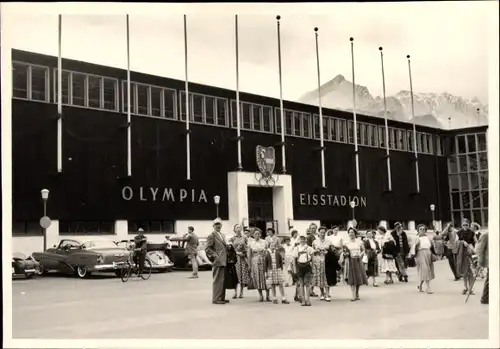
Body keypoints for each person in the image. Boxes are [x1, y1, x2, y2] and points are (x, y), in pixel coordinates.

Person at [205, 218, 229, 305]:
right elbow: (207, 248)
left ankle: (221, 297)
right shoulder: (211, 235)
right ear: (213, 226)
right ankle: (216, 298)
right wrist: (216, 256)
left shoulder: (222, 235)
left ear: (221, 225)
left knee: (222, 280)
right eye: (216, 224)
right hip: (218, 261)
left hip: (224, 260)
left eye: (219, 224)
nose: (218, 226)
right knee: (217, 280)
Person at [342, 227, 368, 301]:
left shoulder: (359, 241)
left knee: (358, 277)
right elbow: (344, 252)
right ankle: (353, 295)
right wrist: (345, 254)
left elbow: (363, 250)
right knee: (351, 278)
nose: (351, 234)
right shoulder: (346, 242)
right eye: (350, 232)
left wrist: (360, 254)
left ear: (355, 233)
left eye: (352, 232)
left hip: (357, 260)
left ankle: (357, 293)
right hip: (350, 261)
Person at [411, 224, 436, 294]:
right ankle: (428, 287)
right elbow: (413, 248)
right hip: (420, 254)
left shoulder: (428, 238)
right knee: (425, 269)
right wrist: (415, 245)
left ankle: (420, 285)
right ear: (418, 230)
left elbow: (431, 247)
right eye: (420, 229)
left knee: (427, 270)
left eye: (424, 229)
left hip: (428, 254)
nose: (422, 230)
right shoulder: (417, 238)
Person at [248, 229, 270, 302]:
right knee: (257, 278)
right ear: (253, 235)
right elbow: (249, 255)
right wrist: (249, 265)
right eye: (255, 234)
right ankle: (260, 295)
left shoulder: (264, 242)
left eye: (258, 234)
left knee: (265, 277)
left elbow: (268, 252)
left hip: (263, 260)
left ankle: (268, 295)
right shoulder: (251, 243)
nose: (257, 235)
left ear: (260, 234)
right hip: (255, 261)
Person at [264, 240, 289, 304]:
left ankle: (283, 298)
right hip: (271, 270)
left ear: (275, 247)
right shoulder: (267, 254)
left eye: (274, 246)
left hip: (277, 270)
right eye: (271, 246)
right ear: (269, 247)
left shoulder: (277, 253)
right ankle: (274, 298)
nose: (272, 247)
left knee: (280, 284)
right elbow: (265, 264)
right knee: (272, 285)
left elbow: (280, 262)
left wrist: (281, 269)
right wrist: (266, 272)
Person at [293, 233, 315, 306]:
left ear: (306, 240)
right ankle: (303, 300)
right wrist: (295, 269)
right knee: (301, 284)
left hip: (307, 266)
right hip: (299, 267)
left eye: (304, 239)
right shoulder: (296, 248)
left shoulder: (309, 248)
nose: (302, 240)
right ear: (299, 240)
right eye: (301, 239)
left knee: (307, 284)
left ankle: (308, 300)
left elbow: (313, 258)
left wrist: (313, 268)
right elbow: (294, 259)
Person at [456, 218, 476, 295]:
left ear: (468, 225)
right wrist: (462, 241)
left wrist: (474, 248)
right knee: (464, 272)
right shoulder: (458, 233)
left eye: (466, 225)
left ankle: (470, 288)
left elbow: (476, 241)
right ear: (461, 225)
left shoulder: (472, 232)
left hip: (470, 253)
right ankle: (465, 287)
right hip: (462, 254)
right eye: (463, 225)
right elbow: (456, 242)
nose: (465, 226)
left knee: (471, 272)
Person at [229, 224, 249, 298]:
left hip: (242, 258)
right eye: (237, 227)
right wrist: (236, 253)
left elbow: (248, 248)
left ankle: (241, 292)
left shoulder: (245, 238)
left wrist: (244, 254)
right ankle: (235, 292)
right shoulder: (232, 238)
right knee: (235, 275)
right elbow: (230, 249)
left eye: (240, 227)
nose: (238, 228)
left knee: (242, 275)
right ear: (234, 229)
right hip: (235, 259)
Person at [475, 230, 488, 305]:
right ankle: (485, 297)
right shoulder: (485, 235)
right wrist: (480, 261)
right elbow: (479, 249)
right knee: (490, 279)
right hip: (490, 260)